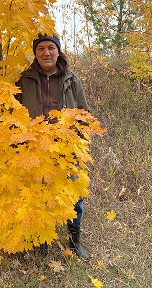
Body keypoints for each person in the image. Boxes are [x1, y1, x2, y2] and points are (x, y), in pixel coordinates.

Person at [15, 33, 91, 259]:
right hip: (34, 148)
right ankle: (42, 240)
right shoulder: (23, 79)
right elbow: (13, 114)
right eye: (41, 49)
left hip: (67, 147)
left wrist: (81, 141)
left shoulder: (72, 79)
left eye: (51, 48)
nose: (46, 53)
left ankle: (74, 240)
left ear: (58, 51)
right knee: (38, 195)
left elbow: (83, 112)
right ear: (35, 53)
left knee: (73, 196)